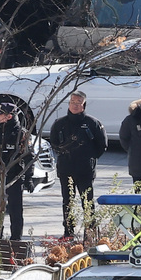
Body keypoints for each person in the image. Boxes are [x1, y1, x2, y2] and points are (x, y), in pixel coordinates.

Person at [48, 91, 108, 238]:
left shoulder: (92, 123)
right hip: (65, 169)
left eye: (78, 102)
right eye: (72, 102)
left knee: (87, 202)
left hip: (85, 170)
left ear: (83, 105)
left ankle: (90, 232)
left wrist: (89, 158)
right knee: (68, 202)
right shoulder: (59, 124)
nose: (75, 105)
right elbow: (54, 143)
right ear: (68, 104)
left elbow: (102, 145)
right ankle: (68, 232)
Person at [0, 102, 30, 241]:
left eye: (0, 114)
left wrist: (28, 178)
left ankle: (16, 239)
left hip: (14, 176)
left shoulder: (21, 133)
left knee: (15, 210)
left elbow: (28, 157)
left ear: (8, 116)